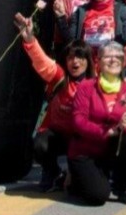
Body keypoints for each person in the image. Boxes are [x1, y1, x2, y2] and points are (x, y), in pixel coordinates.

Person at [14, 12, 92, 192]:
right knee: (39, 145)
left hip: (81, 140)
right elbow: (42, 61)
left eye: (80, 57)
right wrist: (29, 38)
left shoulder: (95, 84)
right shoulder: (59, 76)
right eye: (71, 57)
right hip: (56, 135)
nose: (75, 62)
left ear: (88, 61)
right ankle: (52, 171)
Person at [67, 41, 126, 206]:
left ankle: (125, 188)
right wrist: (106, 131)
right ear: (98, 61)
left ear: (124, 62)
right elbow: (79, 121)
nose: (113, 60)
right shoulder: (86, 87)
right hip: (86, 151)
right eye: (108, 56)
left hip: (110, 151)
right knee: (98, 196)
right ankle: (76, 178)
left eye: (118, 57)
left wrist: (125, 125)